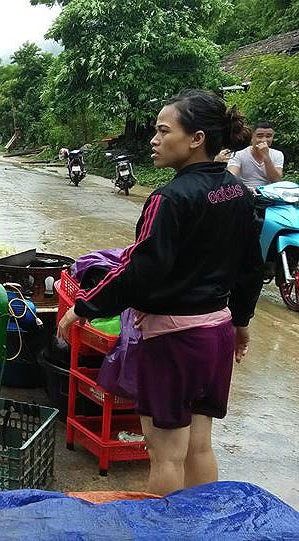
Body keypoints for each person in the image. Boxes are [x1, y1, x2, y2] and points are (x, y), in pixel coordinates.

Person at [57, 90, 263, 496]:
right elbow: (250, 269)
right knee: (199, 447)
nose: (153, 139)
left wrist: (82, 308)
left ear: (196, 138)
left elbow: (140, 270)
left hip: (173, 340)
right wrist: (240, 322)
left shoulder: (169, 199)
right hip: (216, 335)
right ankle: (202, 527)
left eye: (163, 130)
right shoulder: (237, 193)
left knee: (166, 454)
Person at [227, 121, 284, 189]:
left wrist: (266, 157)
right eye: (259, 136)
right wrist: (246, 189)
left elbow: (277, 181)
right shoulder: (238, 154)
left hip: (268, 193)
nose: (264, 140)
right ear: (252, 137)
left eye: (268, 136)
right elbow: (231, 178)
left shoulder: (277, 154)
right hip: (245, 191)